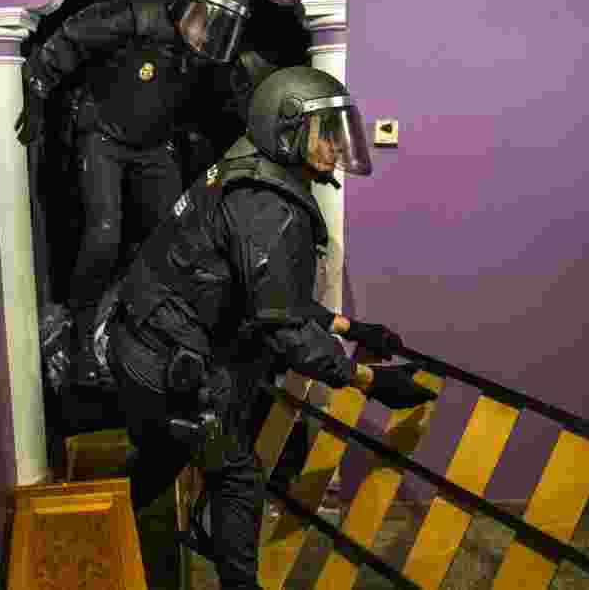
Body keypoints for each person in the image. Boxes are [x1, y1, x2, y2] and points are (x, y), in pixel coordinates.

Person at [104, 66, 438, 589]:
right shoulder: (270, 208)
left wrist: (351, 328)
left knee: (162, 461)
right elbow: (279, 325)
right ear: (285, 129)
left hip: (144, 341)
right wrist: (368, 381)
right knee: (236, 476)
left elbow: (264, 292)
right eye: (325, 130)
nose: (335, 144)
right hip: (164, 361)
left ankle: (132, 555)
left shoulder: (247, 166)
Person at [16, 0, 266, 389]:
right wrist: (39, 90)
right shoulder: (136, 13)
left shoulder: (204, 53)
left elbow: (232, 92)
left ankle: (159, 331)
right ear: (184, 4)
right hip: (103, 137)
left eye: (221, 28)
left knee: (172, 236)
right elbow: (68, 42)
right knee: (104, 234)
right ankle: (79, 336)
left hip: (154, 144)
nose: (208, 36)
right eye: (207, 21)